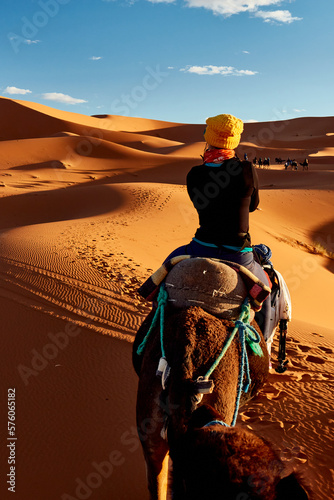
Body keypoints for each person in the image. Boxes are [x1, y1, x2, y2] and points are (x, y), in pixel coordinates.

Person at [162, 113, 271, 340]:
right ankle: (263, 342)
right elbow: (253, 206)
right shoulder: (247, 170)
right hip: (238, 253)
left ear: (208, 137)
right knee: (268, 289)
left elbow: (201, 203)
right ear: (235, 141)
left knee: (163, 276)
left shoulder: (195, 174)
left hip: (200, 247)